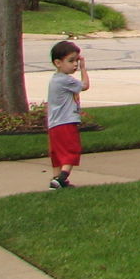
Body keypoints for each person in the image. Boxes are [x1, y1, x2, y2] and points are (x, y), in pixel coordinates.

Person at [46, 40, 90, 189]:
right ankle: (61, 178)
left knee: (57, 154)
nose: (75, 65)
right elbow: (85, 86)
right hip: (66, 122)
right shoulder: (65, 80)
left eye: (77, 61)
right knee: (72, 150)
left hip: (54, 124)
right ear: (58, 63)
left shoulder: (55, 80)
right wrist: (84, 69)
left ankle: (56, 179)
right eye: (71, 61)